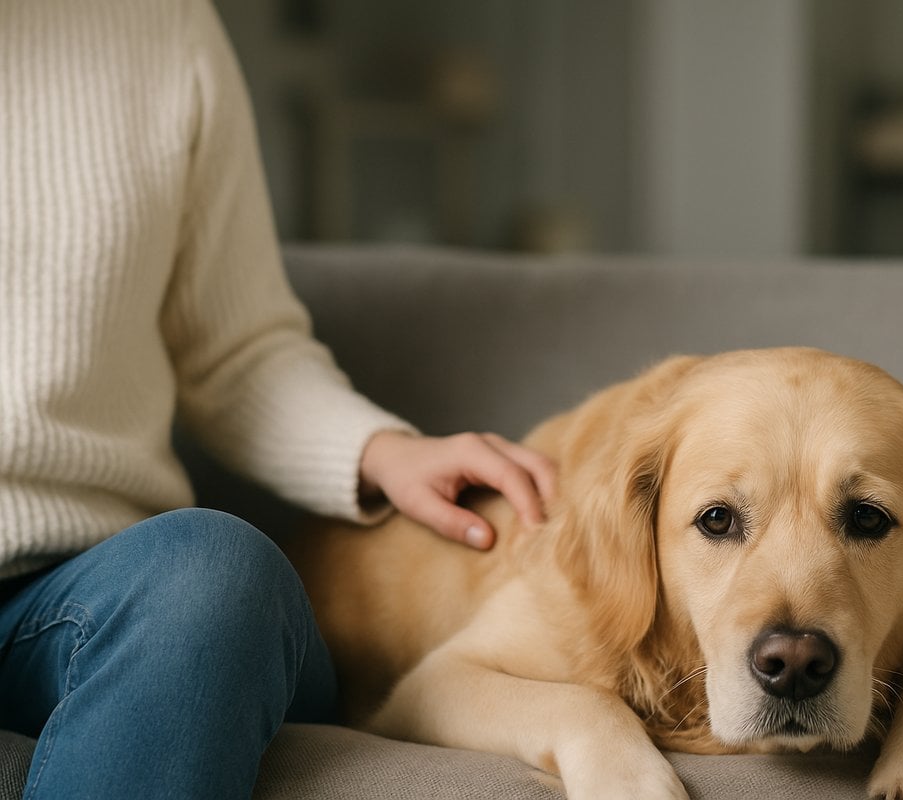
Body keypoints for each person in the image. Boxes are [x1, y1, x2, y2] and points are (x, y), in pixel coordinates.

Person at [0, 1, 556, 797]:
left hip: (83, 592)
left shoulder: (166, 28)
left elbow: (238, 350)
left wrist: (385, 452)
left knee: (214, 572)